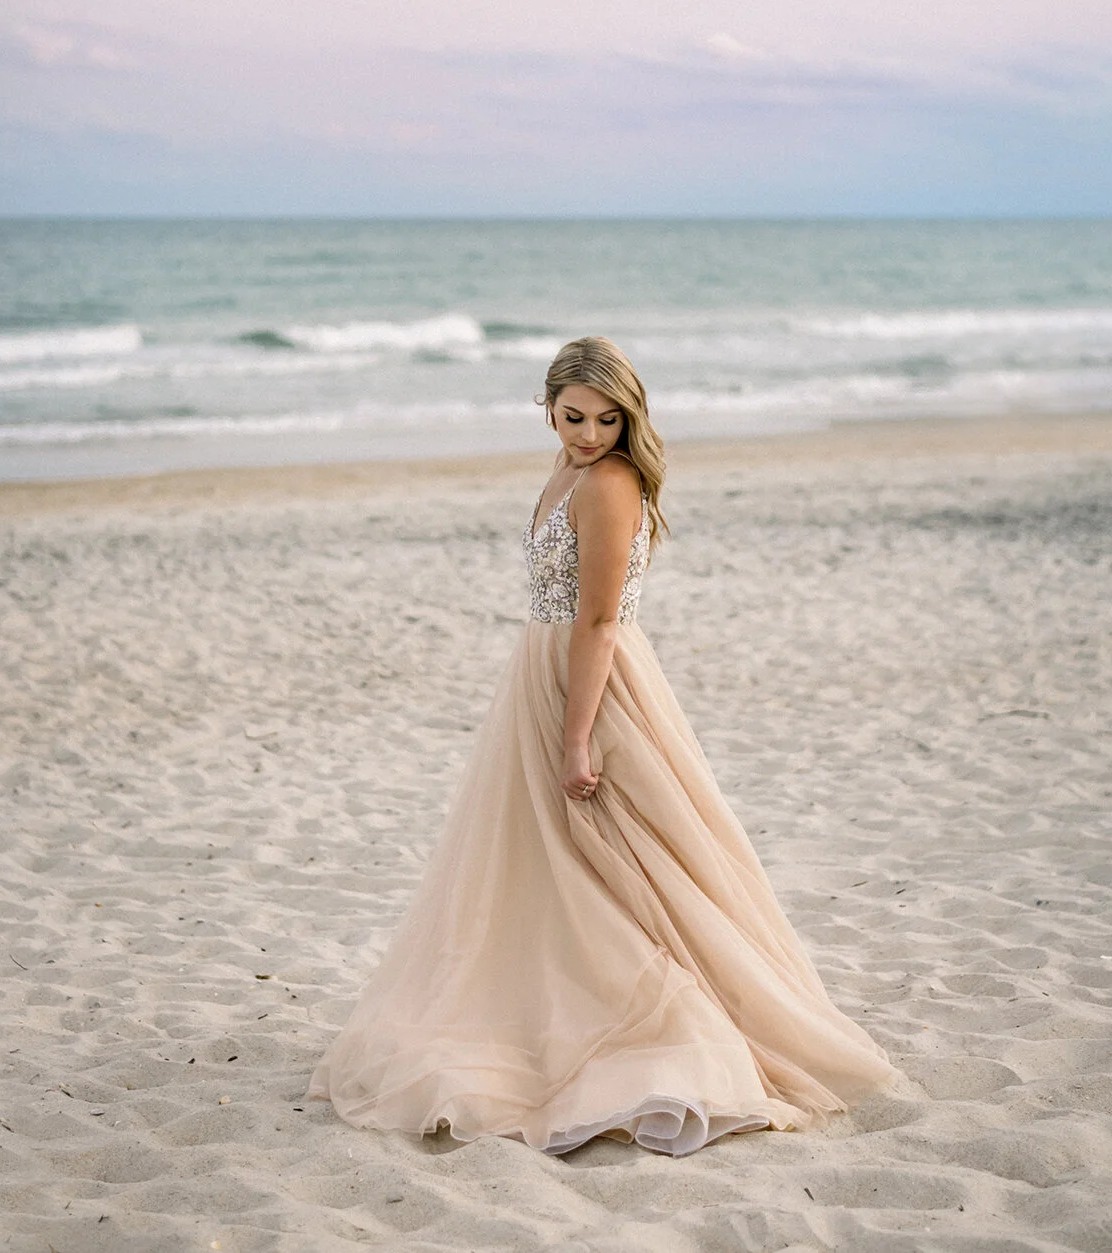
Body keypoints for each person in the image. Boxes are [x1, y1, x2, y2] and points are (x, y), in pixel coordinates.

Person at [307, 336, 895, 1155]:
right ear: (546, 407)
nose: (589, 434)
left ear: (630, 418)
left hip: (595, 684)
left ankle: (663, 1030)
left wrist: (576, 735)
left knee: (626, 858)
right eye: (574, 416)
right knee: (550, 861)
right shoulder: (565, 469)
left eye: (608, 419)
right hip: (541, 670)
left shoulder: (610, 483)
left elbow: (599, 619)